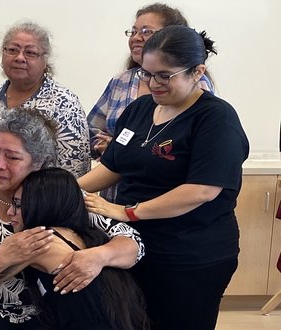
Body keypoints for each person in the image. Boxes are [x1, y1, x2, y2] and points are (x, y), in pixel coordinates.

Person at [79, 25, 249, 330]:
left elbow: (201, 191)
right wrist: (67, 188)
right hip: (133, 246)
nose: (152, 83)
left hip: (189, 256)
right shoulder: (141, 109)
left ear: (197, 72)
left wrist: (128, 212)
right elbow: (113, 166)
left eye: (164, 75)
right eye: (146, 73)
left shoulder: (215, 119)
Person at [0, 108, 142, 329]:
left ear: (38, 162)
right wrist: (2, 257)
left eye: (12, 157)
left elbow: (134, 244)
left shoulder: (60, 195)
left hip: (45, 312)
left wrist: (98, 257)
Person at [87, 3, 214, 202]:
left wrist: (130, 151)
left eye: (146, 32)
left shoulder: (202, 99)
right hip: (117, 199)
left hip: (168, 205)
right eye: (134, 31)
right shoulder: (124, 85)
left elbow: (200, 187)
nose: (136, 38)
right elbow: (93, 131)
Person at [8, 167, 149, 330]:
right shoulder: (85, 234)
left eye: (17, 205)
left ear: (44, 204)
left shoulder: (43, 242)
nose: (9, 212)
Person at [0, 20, 90, 178]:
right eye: (12, 50)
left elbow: (74, 170)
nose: (19, 58)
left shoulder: (64, 103)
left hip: (43, 197)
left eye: (30, 53)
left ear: (45, 61)